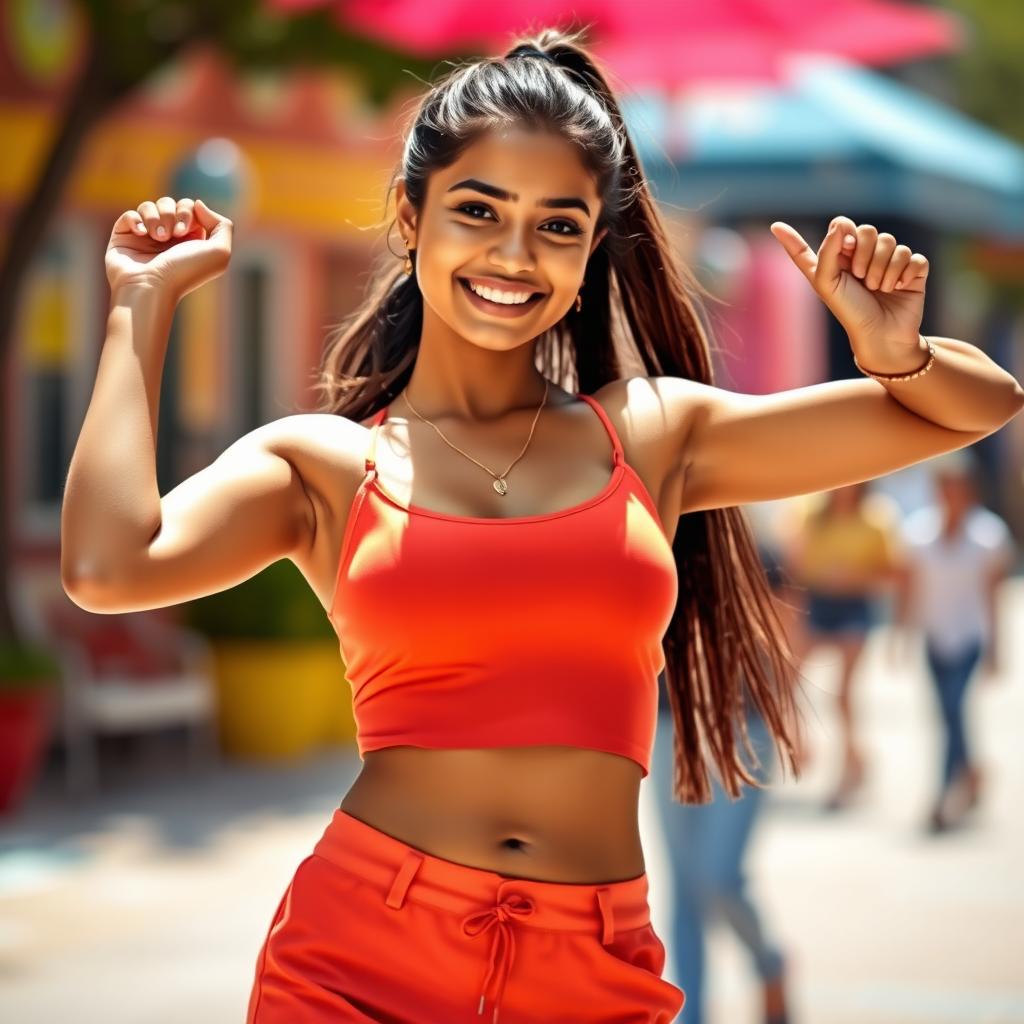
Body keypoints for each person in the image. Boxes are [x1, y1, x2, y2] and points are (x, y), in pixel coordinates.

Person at [61, 25, 1023, 1023]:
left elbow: (978, 403)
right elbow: (106, 564)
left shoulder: (650, 433)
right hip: (358, 957)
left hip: (592, 965)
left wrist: (892, 348)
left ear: (590, 248)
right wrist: (139, 306)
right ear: (409, 214)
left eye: (557, 225)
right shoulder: (322, 465)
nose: (512, 255)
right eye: (477, 209)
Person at [651, 538, 800, 1024]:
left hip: (745, 729)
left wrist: (792, 719)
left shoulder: (755, 548)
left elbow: (787, 634)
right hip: (671, 728)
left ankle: (769, 961)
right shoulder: (644, 539)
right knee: (683, 887)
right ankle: (691, 1014)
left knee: (718, 876)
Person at [890, 450, 1016, 833]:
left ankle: (945, 795)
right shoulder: (917, 533)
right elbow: (908, 592)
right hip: (935, 635)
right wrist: (902, 637)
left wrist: (997, 646)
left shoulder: (989, 536)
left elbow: (994, 596)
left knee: (954, 709)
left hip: (970, 636)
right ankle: (971, 773)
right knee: (947, 715)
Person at [780, 482, 902, 810]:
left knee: (844, 694)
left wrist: (854, 577)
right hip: (817, 603)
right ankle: (802, 745)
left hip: (854, 607)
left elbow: (893, 573)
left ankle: (850, 765)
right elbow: (793, 568)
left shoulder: (877, 519)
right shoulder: (810, 514)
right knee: (788, 681)